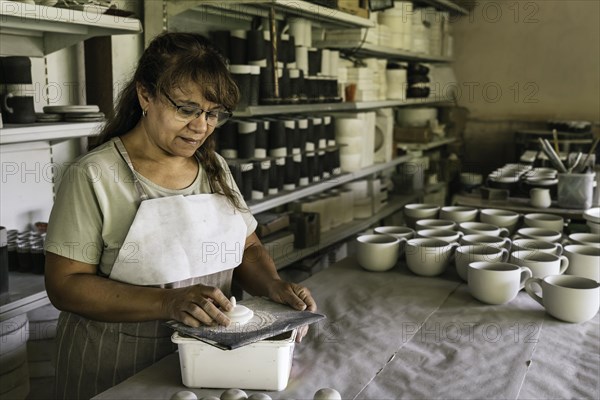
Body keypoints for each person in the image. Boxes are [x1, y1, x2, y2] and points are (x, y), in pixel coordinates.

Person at [44, 32, 317, 400]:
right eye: (186, 109)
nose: (201, 126)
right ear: (146, 95)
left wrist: (273, 286)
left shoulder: (213, 166)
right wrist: (168, 303)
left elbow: (247, 247)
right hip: (115, 367)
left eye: (212, 113)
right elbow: (65, 285)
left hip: (205, 359)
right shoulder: (93, 175)